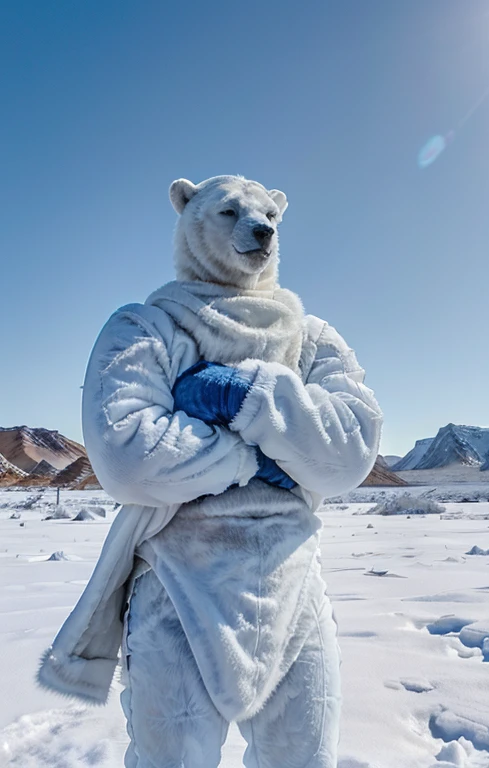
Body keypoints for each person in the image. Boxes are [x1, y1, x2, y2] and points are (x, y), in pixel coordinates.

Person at [38, 175, 382, 768]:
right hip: (176, 582)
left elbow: (350, 453)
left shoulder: (311, 338)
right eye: (229, 213)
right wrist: (266, 454)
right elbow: (126, 457)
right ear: (188, 213)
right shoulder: (146, 329)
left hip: (293, 582)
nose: (260, 226)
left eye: (268, 216)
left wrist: (241, 393)